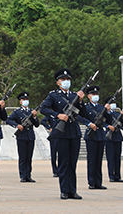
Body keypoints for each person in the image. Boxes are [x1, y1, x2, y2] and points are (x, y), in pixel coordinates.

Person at [40, 68, 85, 200]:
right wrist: (57, 115)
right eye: (63, 80)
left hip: (74, 132)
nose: (66, 82)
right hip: (61, 132)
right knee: (64, 162)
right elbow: (44, 108)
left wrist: (81, 101)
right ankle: (64, 190)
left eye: (68, 79)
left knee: (73, 162)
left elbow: (83, 114)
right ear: (58, 82)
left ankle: (73, 190)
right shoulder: (53, 95)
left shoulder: (74, 96)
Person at [77, 85, 110, 190]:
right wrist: (89, 124)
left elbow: (108, 120)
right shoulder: (86, 107)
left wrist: (108, 111)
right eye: (93, 94)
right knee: (92, 160)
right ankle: (91, 182)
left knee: (99, 160)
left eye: (97, 94)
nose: (95, 96)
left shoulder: (101, 108)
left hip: (100, 135)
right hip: (91, 135)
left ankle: (98, 182)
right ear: (89, 96)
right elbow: (80, 116)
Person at [6, 92, 39, 183]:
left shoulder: (31, 111)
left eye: (26, 100)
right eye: (23, 100)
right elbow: (8, 120)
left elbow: (37, 125)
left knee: (29, 157)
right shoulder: (17, 112)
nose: (25, 101)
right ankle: (23, 176)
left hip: (30, 136)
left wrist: (35, 117)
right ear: (20, 102)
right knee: (23, 157)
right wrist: (17, 125)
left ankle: (28, 175)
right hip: (22, 136)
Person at [105, 100, 123, 183]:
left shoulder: (118, 114)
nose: (113, 105)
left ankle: (117, 176)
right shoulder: (106, 113)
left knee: (117, 158)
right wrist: (108, 126)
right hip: (109, 137)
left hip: (117, 137)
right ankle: (111, 176)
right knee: (110, 158)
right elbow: (103, 122)